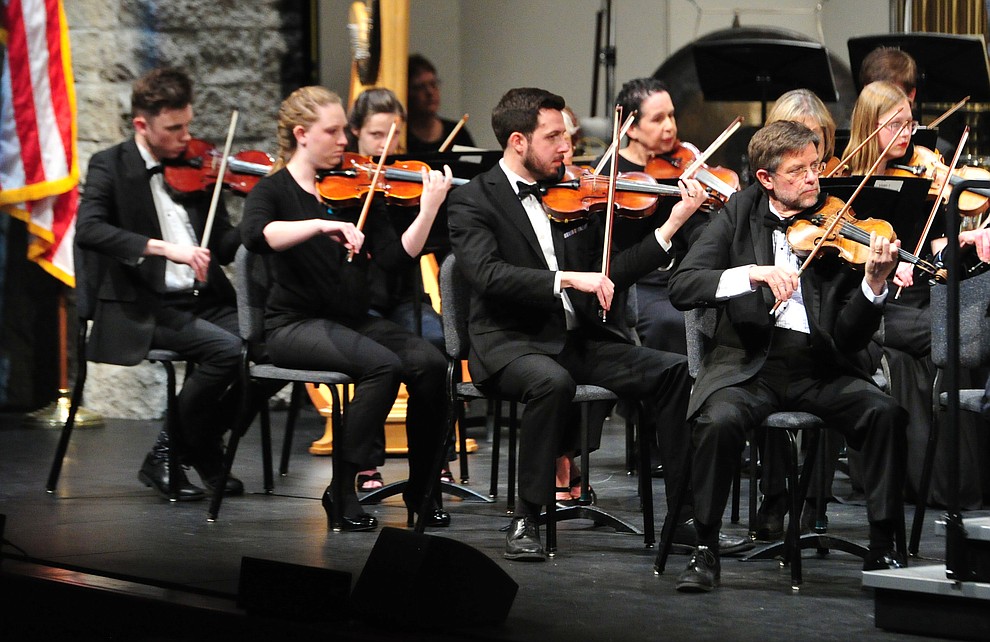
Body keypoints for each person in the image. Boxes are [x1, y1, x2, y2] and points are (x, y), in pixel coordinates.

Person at [446, 86, 695, 561]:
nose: (568, 147)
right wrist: (563, 278)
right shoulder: (473, 200)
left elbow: (610, 273)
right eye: (554, 136)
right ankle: (526, 517)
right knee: (551, 382)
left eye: (567, 135)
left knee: (673, 372)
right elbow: (486, 274)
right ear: (518, 141)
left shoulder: (573, 191)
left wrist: (671, 225)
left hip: (574, 340)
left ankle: (683, 519)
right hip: (510, 344)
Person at [668, 120, 908, 592]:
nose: (813, 180)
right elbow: (682, 284)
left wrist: (873, 284)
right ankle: (705, 550)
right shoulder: (738, 213)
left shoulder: (837, 223)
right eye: (797, 171)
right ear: (766, 179)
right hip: (750, 366)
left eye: (815, 167)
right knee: (718, 423)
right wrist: (751, 273)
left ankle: (884, 546)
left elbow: (850, 335)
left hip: (820, 366)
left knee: (885, 413)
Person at [240, 86, 454, 531]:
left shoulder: (358, 188)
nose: (344, 140)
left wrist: (428, 210)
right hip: (292, 325)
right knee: (381, 367)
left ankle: (423, 485)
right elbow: (255, 236)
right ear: (302, 134)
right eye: (333, 131)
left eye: (342, 130)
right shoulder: (274, 189)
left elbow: (395, 258)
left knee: (432, 364)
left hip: (352, 321)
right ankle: (342, 489)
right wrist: (319, 225)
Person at [75, 67, 246, 502]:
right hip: (142, 305)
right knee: (225, 351)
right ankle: (180, 451)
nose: (184, 137)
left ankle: (193, 445)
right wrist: (162, 248)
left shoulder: (197, 166)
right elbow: (89, 229)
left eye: (187, 124)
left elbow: (223, 244)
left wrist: (260, 220)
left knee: (268, 346)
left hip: (199, 299)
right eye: (173, 129)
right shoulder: (109, 165)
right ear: (141, 125)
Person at [345, 87, 449, 492]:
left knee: (440, 343)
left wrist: (429, 209)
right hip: (361, 303)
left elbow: (430, 246)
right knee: (376, 359)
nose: (385, 146)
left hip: (404, 298)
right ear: (355, 132)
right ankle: (366, 461)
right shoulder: (341, 183)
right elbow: (387, 256)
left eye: (393, 135)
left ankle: (435, 458)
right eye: (375, 135)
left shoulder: (402, 180)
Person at [406, 54, 475, 153]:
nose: (430, 92)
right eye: (420, 87)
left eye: (433, 84)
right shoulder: (402, 136)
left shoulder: (457, 132)